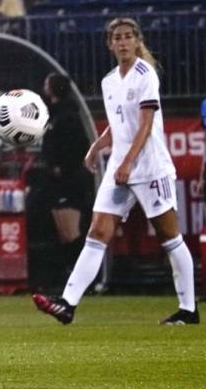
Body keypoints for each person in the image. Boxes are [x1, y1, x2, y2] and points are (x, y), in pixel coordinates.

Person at [33, 17, 199, 325]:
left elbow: (146, 125)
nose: (122, 42)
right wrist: (98, 145)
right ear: (110, 44)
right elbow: (120, 121)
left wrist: (126, 163)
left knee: (169, 236)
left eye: (127, 36)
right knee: (97, 232)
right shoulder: (110, 81)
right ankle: (67, 304)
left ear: (137, 41)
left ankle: (188, 309)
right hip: (119, 168)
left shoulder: (145, 74)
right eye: (117, 37)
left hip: (150, 168)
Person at [40, 73, 91, 282]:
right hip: (57, 180)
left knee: (71, 232)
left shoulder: (68, 115)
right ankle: (73, 274)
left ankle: (85, 277)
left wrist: (61, 167)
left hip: (69, 181)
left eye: (46, 83)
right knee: (63, 232)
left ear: (53, 88)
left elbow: (80, 146)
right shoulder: (53, 114)